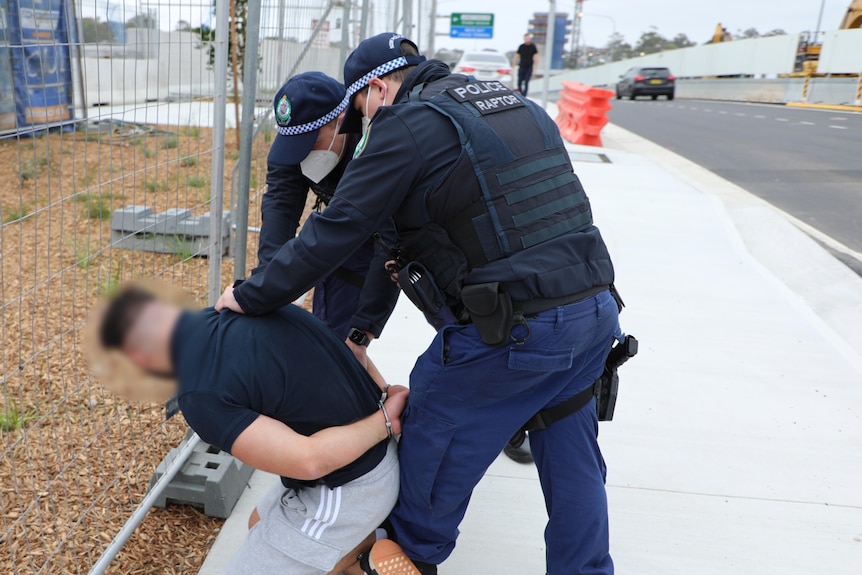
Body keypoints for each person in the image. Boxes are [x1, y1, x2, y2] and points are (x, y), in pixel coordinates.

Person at [216, 32, 621, 575]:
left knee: (423, 483)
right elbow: (398, 243)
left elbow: (340, 229)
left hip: (512, 334)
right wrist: (357, 332)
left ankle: (402, 560)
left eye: (360, 108)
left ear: (378, 89)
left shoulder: (403, 125)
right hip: (594, 316)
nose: (363, 122)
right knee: (575, 476)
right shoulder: (512, 103)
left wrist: (248, 296)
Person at [92, 284, 407, 575]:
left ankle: (361, 558)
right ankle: (356, 553)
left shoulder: (200, 395)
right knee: (258, 522)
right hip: (365, 450)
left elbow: (309, 460)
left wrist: (385, 422)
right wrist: (383, 395)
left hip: (354, 483)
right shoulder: (242, 299)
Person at [257, 71, 400, 367]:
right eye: (297, 145)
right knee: (332, 342)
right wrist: (265, 290)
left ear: (342, 118)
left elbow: (394, 240)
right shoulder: (293, 145)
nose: (304, 154)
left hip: (398, 228)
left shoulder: (379, 143)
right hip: (340, 225)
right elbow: (280, 207)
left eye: (312, 142)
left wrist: (364, 329)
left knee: (455, 331)